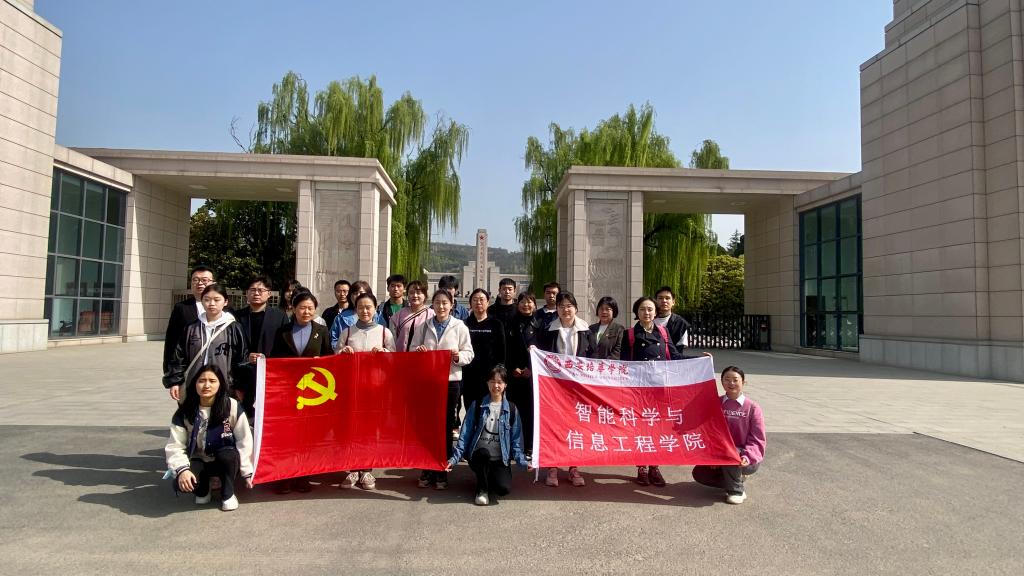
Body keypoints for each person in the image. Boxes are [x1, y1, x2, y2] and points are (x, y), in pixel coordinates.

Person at [266, 291, 334, 494]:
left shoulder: (321, 330)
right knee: (287, 435)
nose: (306, 312)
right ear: (293, 309)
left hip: (312, 392)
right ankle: (284, 476)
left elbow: (329, 358)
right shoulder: (283, 331)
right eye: (302, 308)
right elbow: (274, 359)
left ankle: (303, 475)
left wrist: (321, 363)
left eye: (310, 308)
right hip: (288, 391)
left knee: (307, 435)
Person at [165, 364, 253, 511]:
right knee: (188, 487)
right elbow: (175, 445)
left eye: (212, 381)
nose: (207, 385)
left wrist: (247, 471)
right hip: (198, 458)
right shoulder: (185, 411)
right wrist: (182, 470)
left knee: (228, 456)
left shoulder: (231, 406)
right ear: (195, 384)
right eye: (201, 381)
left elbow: (244, 439)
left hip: (223, 458)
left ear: (220, 384)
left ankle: (228, 493)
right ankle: (203, 489)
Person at [620, 296, 686, 488]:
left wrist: (699, 359)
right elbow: (623, 363)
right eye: (642, 309)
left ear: (656, 312)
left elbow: (675, 356)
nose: (646, 313)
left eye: (650, 309)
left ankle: (655, 467)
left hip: (660, 388)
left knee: (658, 428)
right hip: (639, 390)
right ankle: (641, 467)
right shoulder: (629, 334)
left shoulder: (663, 333)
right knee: (641, 429)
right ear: (637, 312)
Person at [411, 289, 474, 490]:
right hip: (428, 382)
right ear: (432, 305)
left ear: (451, 305)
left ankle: (441, 468)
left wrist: (457, 357)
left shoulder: (459, 326)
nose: (441, 306)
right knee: (428, 425)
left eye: (445, 303)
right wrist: (419, 351)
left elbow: (469, 353)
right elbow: (412, 349)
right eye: (437, 302)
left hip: (450, 381)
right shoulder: (423, 326)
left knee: (445, 425)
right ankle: (426, 467)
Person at [334, 292, 396, 490]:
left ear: (375, 308)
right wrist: (342, 353)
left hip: (375, 389)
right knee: (351, 428)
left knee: (371, 429)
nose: (364, 311)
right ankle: (353, 468)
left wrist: (384, 353)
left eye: (368, 307)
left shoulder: (384, 332)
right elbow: (336, 358)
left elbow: (394, 360)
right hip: (352, 388)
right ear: (355, 309)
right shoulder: (347, 332)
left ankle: (367, 470)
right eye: (360, 307)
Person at [536, 292, 596, 487]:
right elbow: (540, 354)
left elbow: (593, 358)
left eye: (569, 306)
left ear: (576, 308)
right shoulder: (548, 330)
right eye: (561, 306)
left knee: (576, 428)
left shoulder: (586, 331)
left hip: (578, 389)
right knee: (554, 427)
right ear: (557, 310)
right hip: (554, 389)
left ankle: (574, 467)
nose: (565, 309)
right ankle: (552, 467)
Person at [447, 365, 529, 505]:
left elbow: (516, 441)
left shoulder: (512, 409)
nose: (495, 385)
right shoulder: (477, 405)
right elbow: (465, 435)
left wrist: (524, 462)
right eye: (492, 381)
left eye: (499, 382)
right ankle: (482, 489)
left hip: (500, 459)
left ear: (505, 385)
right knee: (483, 453)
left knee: (503, 489)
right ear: (487, 383)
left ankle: (487, 476)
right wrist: (454, 459)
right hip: (479, 456)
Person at [163, 283, 248, 406]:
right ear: (202, 302)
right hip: (195, 385)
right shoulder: (191, 328)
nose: (211, 303)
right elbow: (179, 357)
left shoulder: (234, 328)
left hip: (225, 386)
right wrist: (175, 382)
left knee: (221, 415)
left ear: (225, 302)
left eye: (216, 300)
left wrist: (239, 386)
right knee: (194, 415)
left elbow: (241, 358)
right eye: (207, 300)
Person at [692, 366, 765, 505]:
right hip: (720, 453)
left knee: (731, 453)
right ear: (722, 382)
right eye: (727, 379)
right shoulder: (716, 403)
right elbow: (708, 432)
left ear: (743, 382)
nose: (731, 383)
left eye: (735, 380)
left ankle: (736, 491)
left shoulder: (753, 408)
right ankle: (736, 480)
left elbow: (757, 439)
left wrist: (747, 456)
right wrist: (713, 457)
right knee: (700, 474)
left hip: (744, 457)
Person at [235, 276, 288, 419]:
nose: (256, 293)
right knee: (243, 416)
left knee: (267, 415)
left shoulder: (280, 316)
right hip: (243, 374)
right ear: (247, 293)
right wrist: (246, 357)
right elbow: (233, 346)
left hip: (269, 373)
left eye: (260, 290)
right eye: (252, 290)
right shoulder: (237, 316)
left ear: (269, 293)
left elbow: (284, 346)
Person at [504, 292, 542, 460]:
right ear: (517, 304)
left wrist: (530, 369)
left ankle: (529, 446)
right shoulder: (510, 323)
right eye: (523, 302)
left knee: (530, 413)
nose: (526, 305)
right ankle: (512, 446)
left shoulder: (540, 325)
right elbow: (505, 349)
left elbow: (543, 350)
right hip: (513, 376)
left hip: (531, 377)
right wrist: (512, 368)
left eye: (529, 302)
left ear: (534, 305)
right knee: (512, 412)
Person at [163, 265, 216, 380]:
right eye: (195, 280)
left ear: (213, 283)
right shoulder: (181, 308)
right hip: (190, 369)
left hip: (218, 369)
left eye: (204, 280)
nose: (200, 283)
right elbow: (172, 341)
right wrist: (171, 373)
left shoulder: (226, 310)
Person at [463, 288, 507, 419]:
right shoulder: (464, 324)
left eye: (482, 300)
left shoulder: (496, 324)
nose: (478, 303)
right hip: (469, 375)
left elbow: (502, 350)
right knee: (470, 409)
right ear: (470, 303)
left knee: (488, 409)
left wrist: (499, 372)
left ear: (488, 302)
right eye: (475, 300)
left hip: (489, 376)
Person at [329, 280, 382, 349]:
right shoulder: (340, 318)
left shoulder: (378, 316)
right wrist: (343, 349)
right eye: (355, 293)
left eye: (361, 293)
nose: (358, 296)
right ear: (350, 296)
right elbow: (334, 340)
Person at [389, 280, 434, 352]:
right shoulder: (399, 315)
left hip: (423, 355)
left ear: (425, 295)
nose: (415, 295)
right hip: (401, 356)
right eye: (411, 293)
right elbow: (392, 340)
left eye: (418, 293)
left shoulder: (432, 315)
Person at [654, 286, 691, 350]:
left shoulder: (680, 323)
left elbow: (679, 349)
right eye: (660, 298)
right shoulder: (648, 320)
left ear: (673, 302)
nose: (664, 301)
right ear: (655, 301)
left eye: (667, 298)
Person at [589, 296, 625, 360]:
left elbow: (618, 351)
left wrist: (604, 363)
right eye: (601, 309)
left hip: (609, 365)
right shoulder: (591, 328)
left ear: (614, 311)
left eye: (607, 309)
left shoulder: (619, 329)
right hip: (591, 365)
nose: (604, 312)